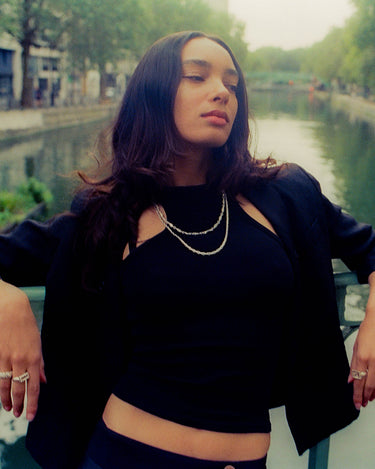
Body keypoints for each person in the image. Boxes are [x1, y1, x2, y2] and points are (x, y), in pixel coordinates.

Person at [0, 30, 375, 469]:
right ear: (154, 94)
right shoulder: (108, 212)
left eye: (232, 85)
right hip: (121, 455)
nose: (222, 93)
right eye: (197, 77)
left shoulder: (285, 193)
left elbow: (367, 246)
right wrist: (7, 300)